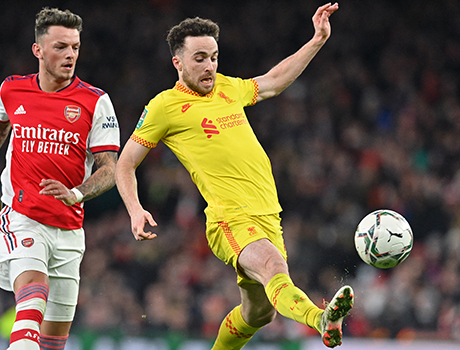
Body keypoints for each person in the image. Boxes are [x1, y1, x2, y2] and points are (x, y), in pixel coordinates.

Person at [116, 3, 353, 349]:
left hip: (269, 215)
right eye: (199, 58)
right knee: (274, 268)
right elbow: (125, 164)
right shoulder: (163, 107)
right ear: (177, 63)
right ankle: (321, 319)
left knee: (259, 313)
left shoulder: (227, 88)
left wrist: (317, 40)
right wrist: (136, 210)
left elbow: (272, 82)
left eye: (213, 56)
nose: (209, 66)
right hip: (230, 217)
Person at [0, 8, 120, 350]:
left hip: (70, 230)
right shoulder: (13, 90)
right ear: (38, 50)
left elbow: (110, 169)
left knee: (53, 342)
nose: (70, 55)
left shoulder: (95, 101)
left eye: (75, 47)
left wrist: (76, 193)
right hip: (23, 218)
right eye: (60, 47)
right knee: (31, 303)